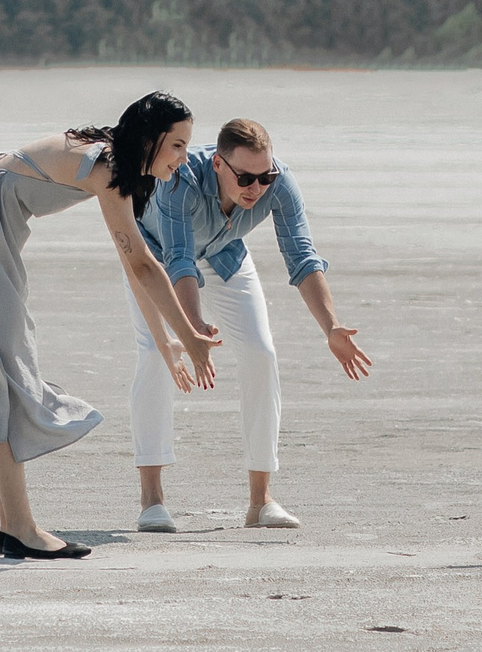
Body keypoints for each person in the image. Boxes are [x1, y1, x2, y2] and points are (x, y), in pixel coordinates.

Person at [0, 91, 215, 560]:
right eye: (178, 145)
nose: (183, 160)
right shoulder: (106, 166)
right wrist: (192, 338)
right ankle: (19, 528)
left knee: (3, 378)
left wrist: (165, 341)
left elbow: (133, 267)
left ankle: (15, 528)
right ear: (151, 139)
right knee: (3, 379)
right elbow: (143, 264)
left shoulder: (111, 160)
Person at [131, 117, 370, 533]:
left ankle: (261, 501)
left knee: (261, 353)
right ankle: (152, 499)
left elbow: (302, 255)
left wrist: (330, 326)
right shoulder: (179, 181)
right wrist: (193, 330)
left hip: (225, 253)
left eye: (265, 177)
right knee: (158, 352)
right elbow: (179, 259)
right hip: (152, 257)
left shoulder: (279, 182)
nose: (256, 189)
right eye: (245, 177)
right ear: (219, 165)